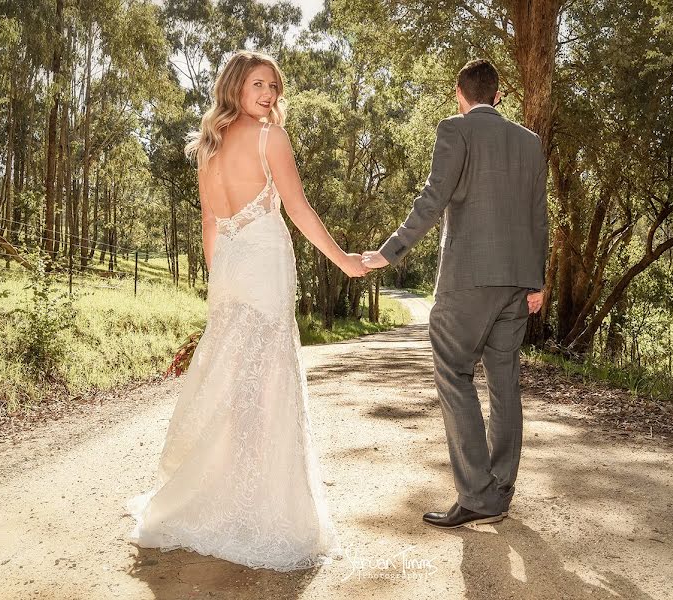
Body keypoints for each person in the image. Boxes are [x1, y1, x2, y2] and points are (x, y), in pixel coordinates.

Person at [127, 50, 366, 570]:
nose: (269, 95)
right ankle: (258, 510)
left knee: (233, 382)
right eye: (259, 84)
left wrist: (220, 281)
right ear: (235, 85)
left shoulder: (207, 146)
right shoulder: (268, 137)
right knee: (265, 383)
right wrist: (344, 260)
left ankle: (219, 498)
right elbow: (298, 209)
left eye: (274, 88)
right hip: (260, 268)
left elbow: (212, 227)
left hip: (232, 270)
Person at [362, 59, 549, 529]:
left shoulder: (455, 129)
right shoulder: (529, 142)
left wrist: (391, 252)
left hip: (467, 279)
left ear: (458, 93)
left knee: (454, 375)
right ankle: (500, 488)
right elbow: (538, 215)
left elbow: (433, 197)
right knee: (504, 382)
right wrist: (539, 280)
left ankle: (477, 498)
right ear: (499, 94)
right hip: (518, 282)